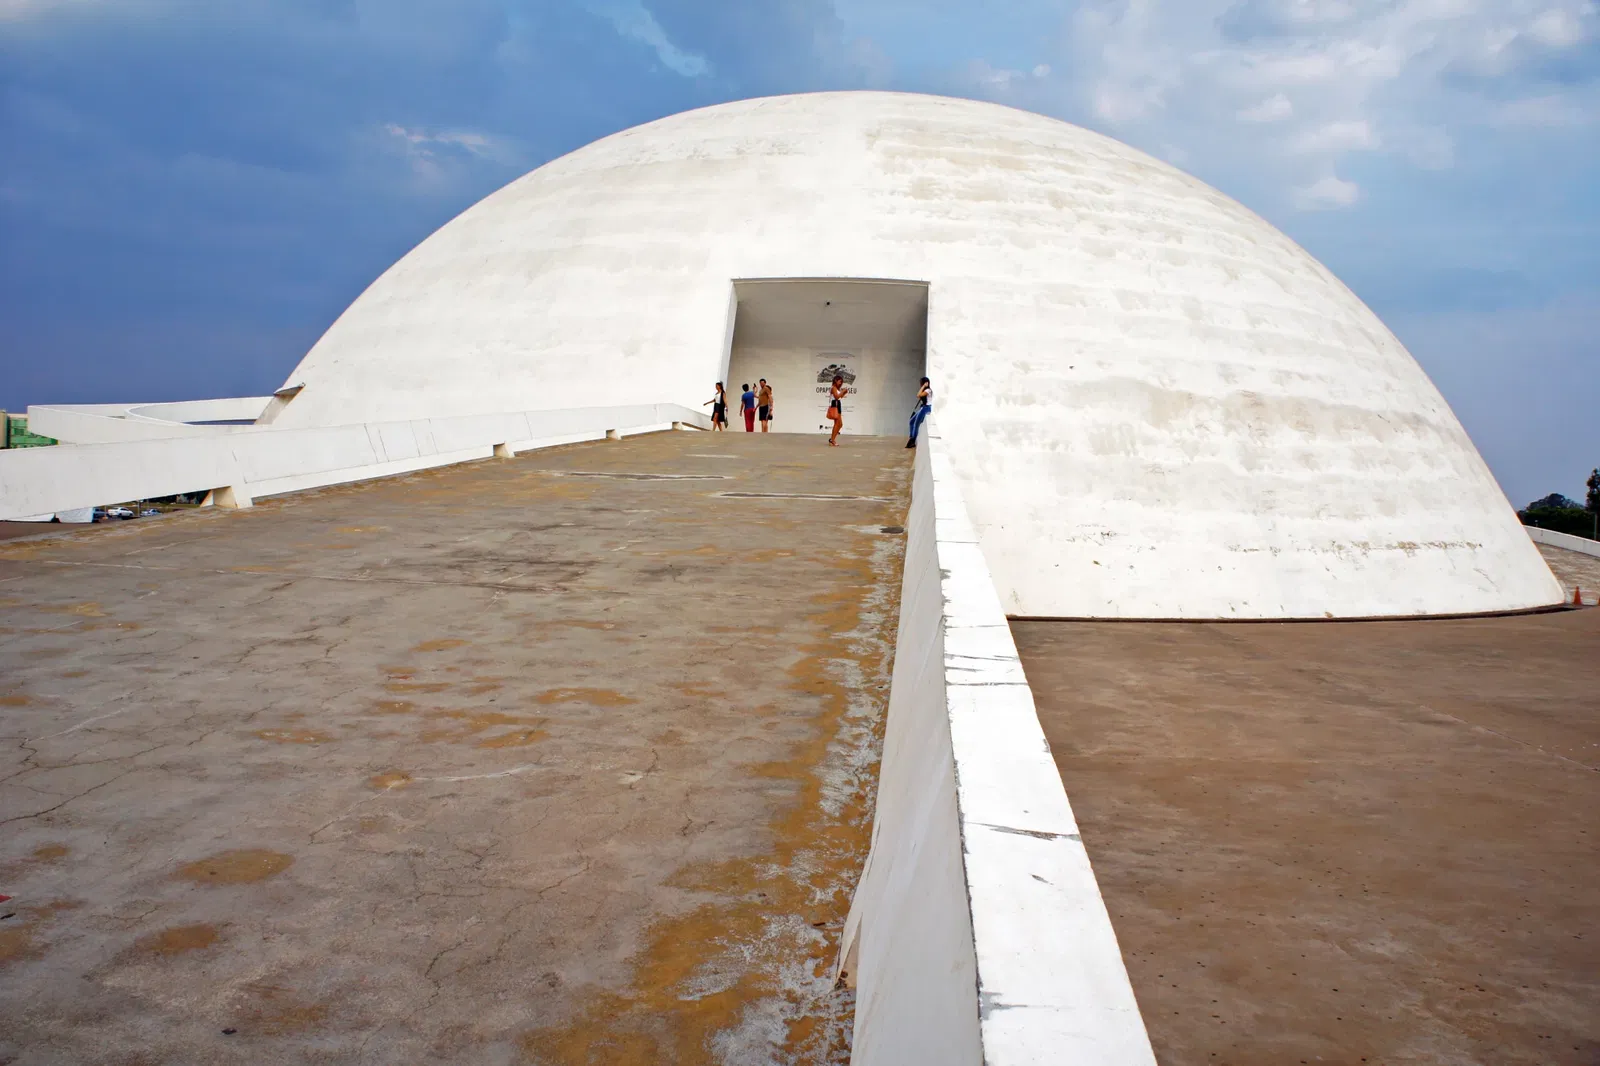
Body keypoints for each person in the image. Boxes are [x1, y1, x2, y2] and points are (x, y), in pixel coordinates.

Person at [907, 376, 933, 448]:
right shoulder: (925, 390)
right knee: (911, 421)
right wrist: (923, 387)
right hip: (923, 408)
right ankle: (911, 437)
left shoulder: (928, 390)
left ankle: (913, 440)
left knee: (916, 424)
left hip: (926, 408)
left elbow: (918, 395)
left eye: (921, 383)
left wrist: (924, 386)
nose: (920, 384)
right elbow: (918, 395)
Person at [826, 374, 846, 447]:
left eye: (841, 382)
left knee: (839, 424)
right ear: (835, 381)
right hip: (835, 405)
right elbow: (837, 397)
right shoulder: (833, 388)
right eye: (840, 381)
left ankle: (832, 439)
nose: (841, 383)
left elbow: (840, 397)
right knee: (838, 424)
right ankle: (832, 440)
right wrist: (843, 391)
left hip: (838, 405)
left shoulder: (837, 389)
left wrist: (844, 392)